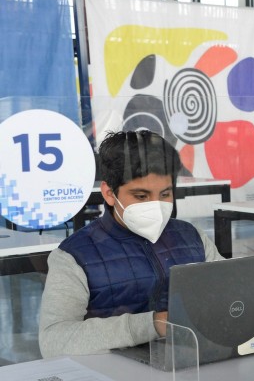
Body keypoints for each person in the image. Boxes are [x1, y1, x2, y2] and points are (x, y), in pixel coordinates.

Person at [39, 130, 224, 358]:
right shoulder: (74, 256)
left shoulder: (192, 237)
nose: (156, 205)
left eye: (165, 194)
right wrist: (153, 324)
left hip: (192, 368)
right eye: (141, 196)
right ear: (109, 193)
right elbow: (54, 341)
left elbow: (229, 296)